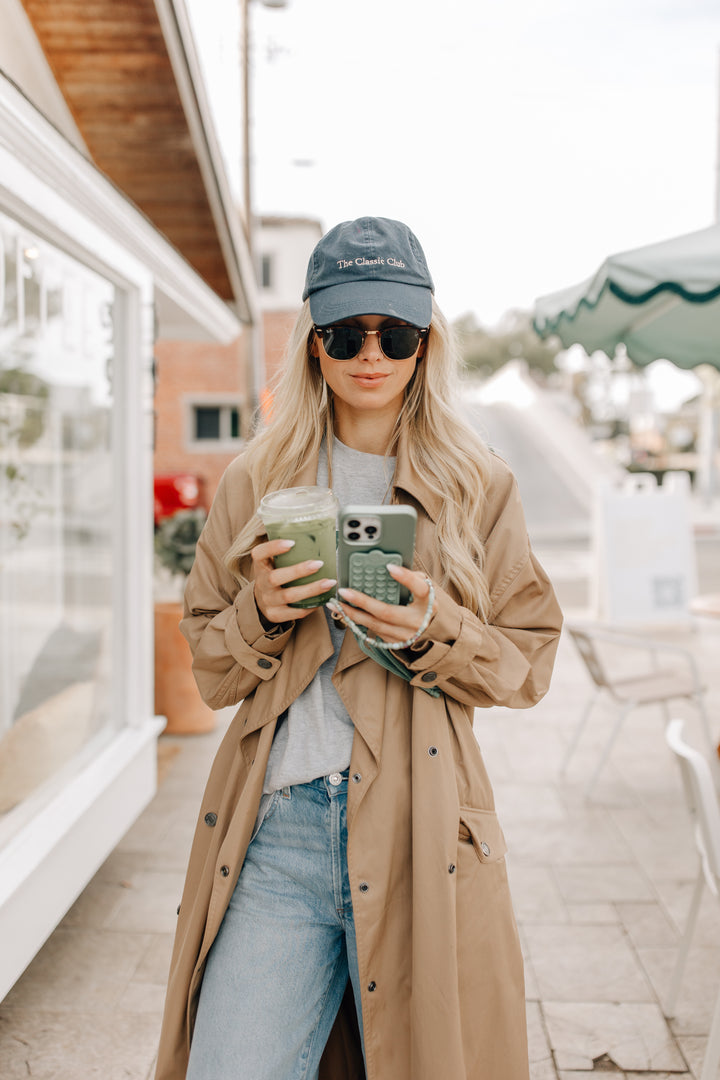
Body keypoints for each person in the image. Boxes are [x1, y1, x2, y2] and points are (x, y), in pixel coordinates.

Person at [155, 216, 563, 1080]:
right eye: (345, 334)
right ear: (313, 346)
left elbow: (527, 663)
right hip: (279, 837)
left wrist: (431, 631)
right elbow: (211, 664)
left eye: (396, 333)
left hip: (425, 827)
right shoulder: (255, 480)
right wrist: (262, 611)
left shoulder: (478, 480)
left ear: (426, 343)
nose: (370, 354)